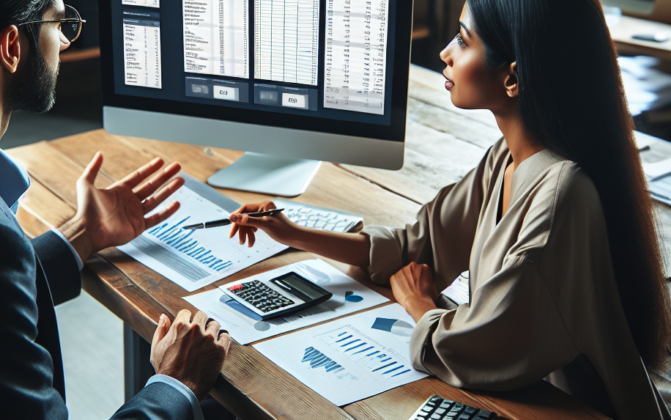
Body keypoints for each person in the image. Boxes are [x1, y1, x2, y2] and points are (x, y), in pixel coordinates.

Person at [227, 0, 671, 418]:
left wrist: (419, 305)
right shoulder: (508, 158)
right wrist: (293, 233)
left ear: (514, 78)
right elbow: (413, 249)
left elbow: (481, 348)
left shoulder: (562, 195)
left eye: (462, 39)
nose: (443, 52)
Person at [0, 0, 231, 418]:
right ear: (12, 46)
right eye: (59, 21)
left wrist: (82, 234)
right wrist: (176, 381)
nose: (65, 41)